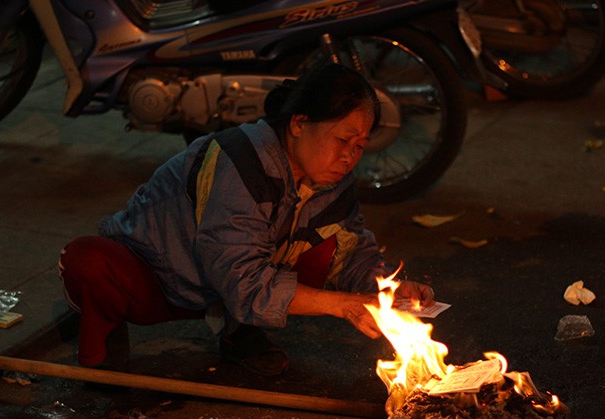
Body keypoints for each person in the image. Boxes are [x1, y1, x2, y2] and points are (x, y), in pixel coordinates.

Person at [58, 63, 434, 376]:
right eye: (342, 140)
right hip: (160, 277)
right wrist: (346, 304)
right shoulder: (241, 162)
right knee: (89, 262)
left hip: (226, 289)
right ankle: (102, 345)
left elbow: (350, 250)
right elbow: (244, 281)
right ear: (299, 124)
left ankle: (242, 334)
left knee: (328, 245)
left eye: (361, 145)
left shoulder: (332, 180)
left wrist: (387, 289)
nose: (350, 156)